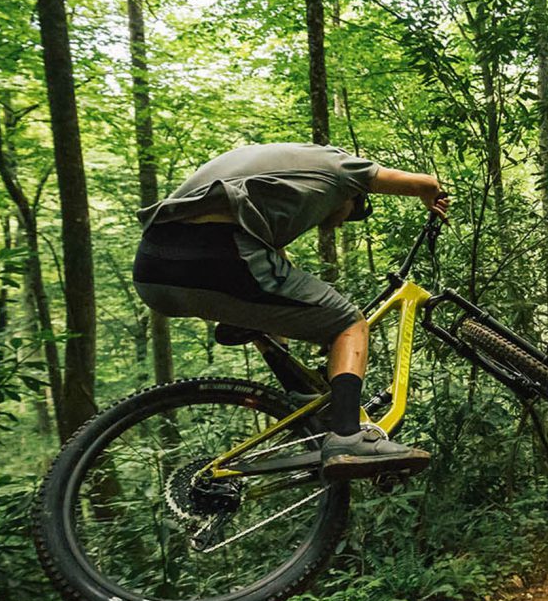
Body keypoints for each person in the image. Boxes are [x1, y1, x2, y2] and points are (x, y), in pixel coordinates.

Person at [132, 142, 449, 480]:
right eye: (350, 215)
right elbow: (424, 184)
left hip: (154, 270)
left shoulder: (280, 174)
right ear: (351, 197)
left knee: (276, 296)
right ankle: (346, 436)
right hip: (219, 252)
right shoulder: (340, 166)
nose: (341, 225)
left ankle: (299, 394)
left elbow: (277, 265)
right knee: (348, 323)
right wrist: (431, 195)